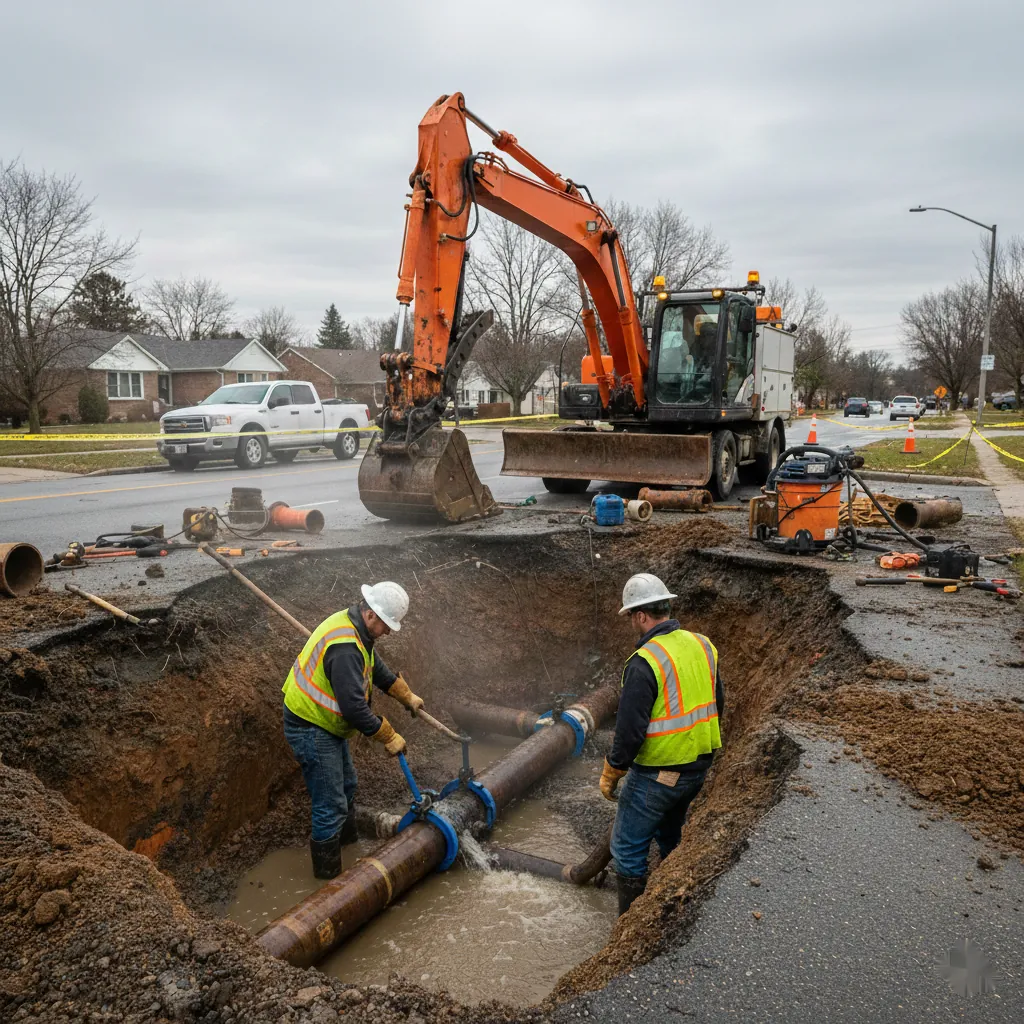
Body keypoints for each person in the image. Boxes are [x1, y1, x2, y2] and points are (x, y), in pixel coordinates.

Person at [599, 573, 725, 915]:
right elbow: (718, 702)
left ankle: (630, 930)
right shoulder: (703, 644)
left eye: (631, 618)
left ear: (641, 616)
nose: (632, 625)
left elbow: (629, 732)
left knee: (626, 849)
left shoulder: (645, 662)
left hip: (658, 774)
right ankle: (674, 905)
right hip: (698, 767)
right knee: (671, 834)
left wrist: (613, 771)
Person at [281, 581, 424, 879]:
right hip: (310, 724)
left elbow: (373, 665)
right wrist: (388, 736)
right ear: (371, 614)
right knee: (330, 805)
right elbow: (354, 709)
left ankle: (348, 848)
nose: (387, 632)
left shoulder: (357, 628)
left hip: (325, 722)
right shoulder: (346, 647)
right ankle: (328, 884)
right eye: (386, 625)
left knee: (346, 787)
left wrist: (404, 693)